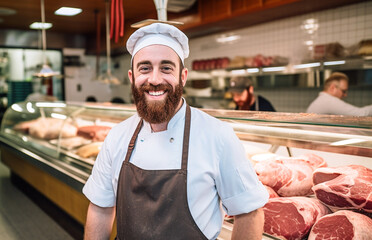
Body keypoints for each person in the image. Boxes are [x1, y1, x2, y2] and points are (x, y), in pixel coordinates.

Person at [83, 23, 268, 240]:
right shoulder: (117, 136)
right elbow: (100, 209)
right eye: (145, 68)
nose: (154, 79)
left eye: (166, 68)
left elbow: (249, 213)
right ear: (132, 77)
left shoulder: (218, 135)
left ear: (183, 76)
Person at [306, 72, 372, 116]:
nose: (345, 95)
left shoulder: (323, 99)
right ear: (332, 88)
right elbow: (361, 114)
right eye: (343, 91)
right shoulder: (329, 101)